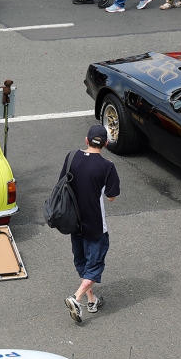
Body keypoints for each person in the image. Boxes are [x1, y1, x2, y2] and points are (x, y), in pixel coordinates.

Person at [62, 125, 120, 323]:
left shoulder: (71, 157)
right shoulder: (107, 166)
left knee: (82, 262)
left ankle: (92, 300)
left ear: (86, 140)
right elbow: (111, 197)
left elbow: (63, 183)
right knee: (94, 265)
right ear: (105, 143)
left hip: (73, 222)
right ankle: (77, 298)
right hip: (95, 225)